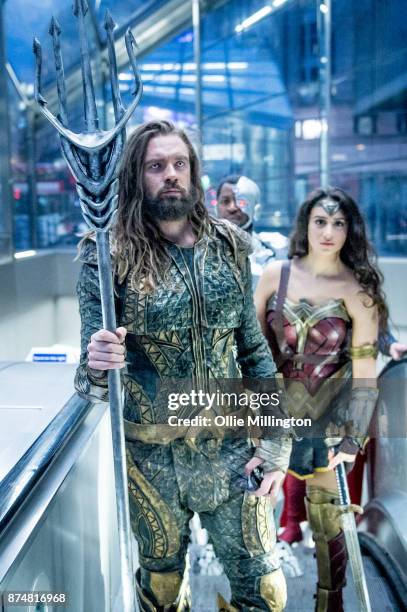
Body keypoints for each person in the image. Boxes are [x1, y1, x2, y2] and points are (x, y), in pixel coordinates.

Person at [74, 120, 291, 611]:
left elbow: (253, 350)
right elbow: (91, 376)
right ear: (137, 176)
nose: (171, 175)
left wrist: (277, 442)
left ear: (194, 172)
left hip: (231, 447)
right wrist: (96, 365)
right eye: (156, 166)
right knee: (163, 589)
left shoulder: (230, 246)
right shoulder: (105, 254)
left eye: (179, 164)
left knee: (267, 589)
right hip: (151, 458)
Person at [254, 186, 388, 611]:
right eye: (320, 221)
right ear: (305, 225)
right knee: (254, 522)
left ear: (350, 229)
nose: (328, 231)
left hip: (329, 419)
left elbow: (365, 373)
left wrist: (353, 438)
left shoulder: (358, 290)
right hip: (272, 415)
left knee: (329, 523)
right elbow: (249, 351)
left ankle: (329, 604)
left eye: (338, 222)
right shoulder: (277, 275)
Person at [216, 175, 288, 283]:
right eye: (225, 201)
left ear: (256, 208)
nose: (232, 208)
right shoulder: (199, 250)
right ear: (216, 206)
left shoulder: (276, 250)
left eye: (241, 202)